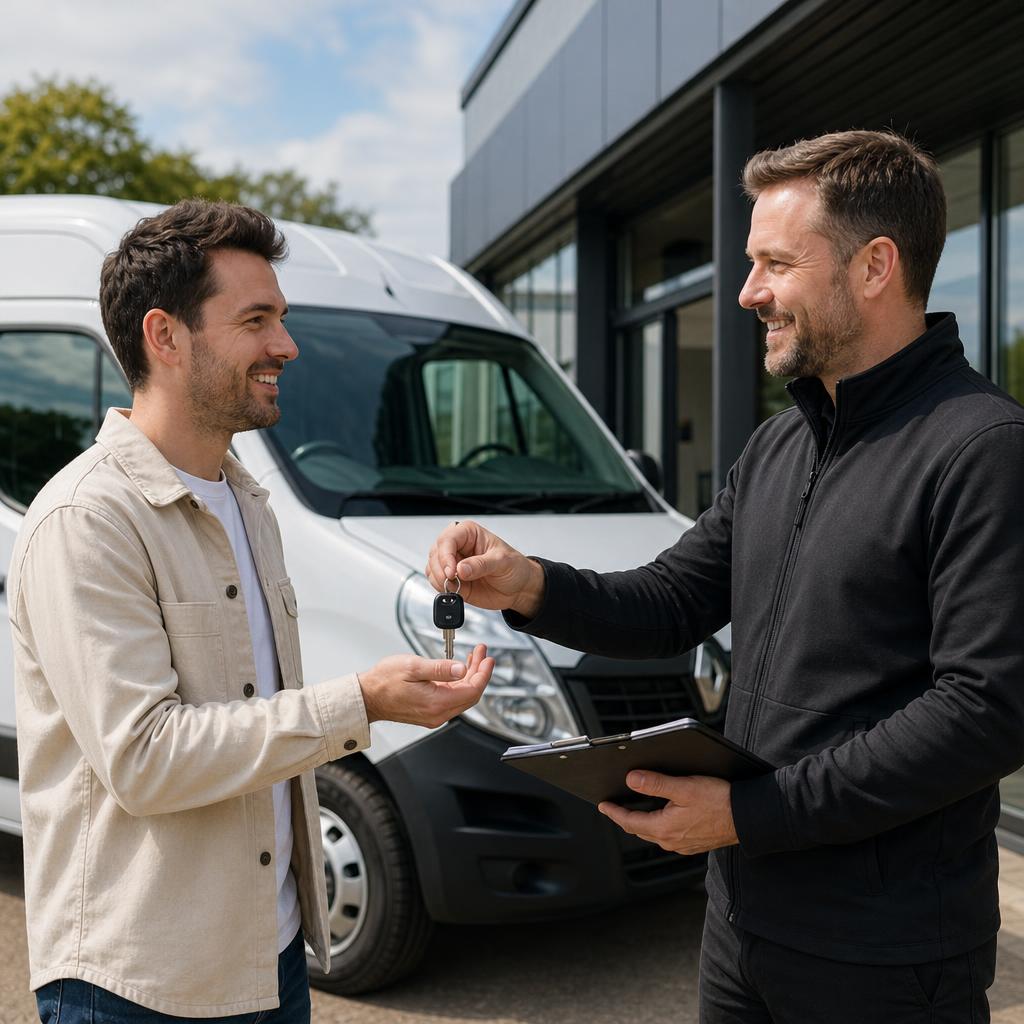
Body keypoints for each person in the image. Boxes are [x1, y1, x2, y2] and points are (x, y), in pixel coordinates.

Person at [426, 129, 1024, 1022]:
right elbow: (671, 602)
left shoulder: (984, 448)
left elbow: (985, 713)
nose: (748, 292)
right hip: (742, 927)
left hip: (886, 956)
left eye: (776, 263)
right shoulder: (782, 442)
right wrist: (528, 585)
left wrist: (751, 814)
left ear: (875, 266)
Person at [8, 199, 494, 1023]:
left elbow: (249, 709)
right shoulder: (87, 518)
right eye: (256, 320)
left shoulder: (249, 503)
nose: (286, 345)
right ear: (165, 337)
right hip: (137, 988)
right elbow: (146, 758)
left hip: (271, 957)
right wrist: (362, 701)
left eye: (281, 318)